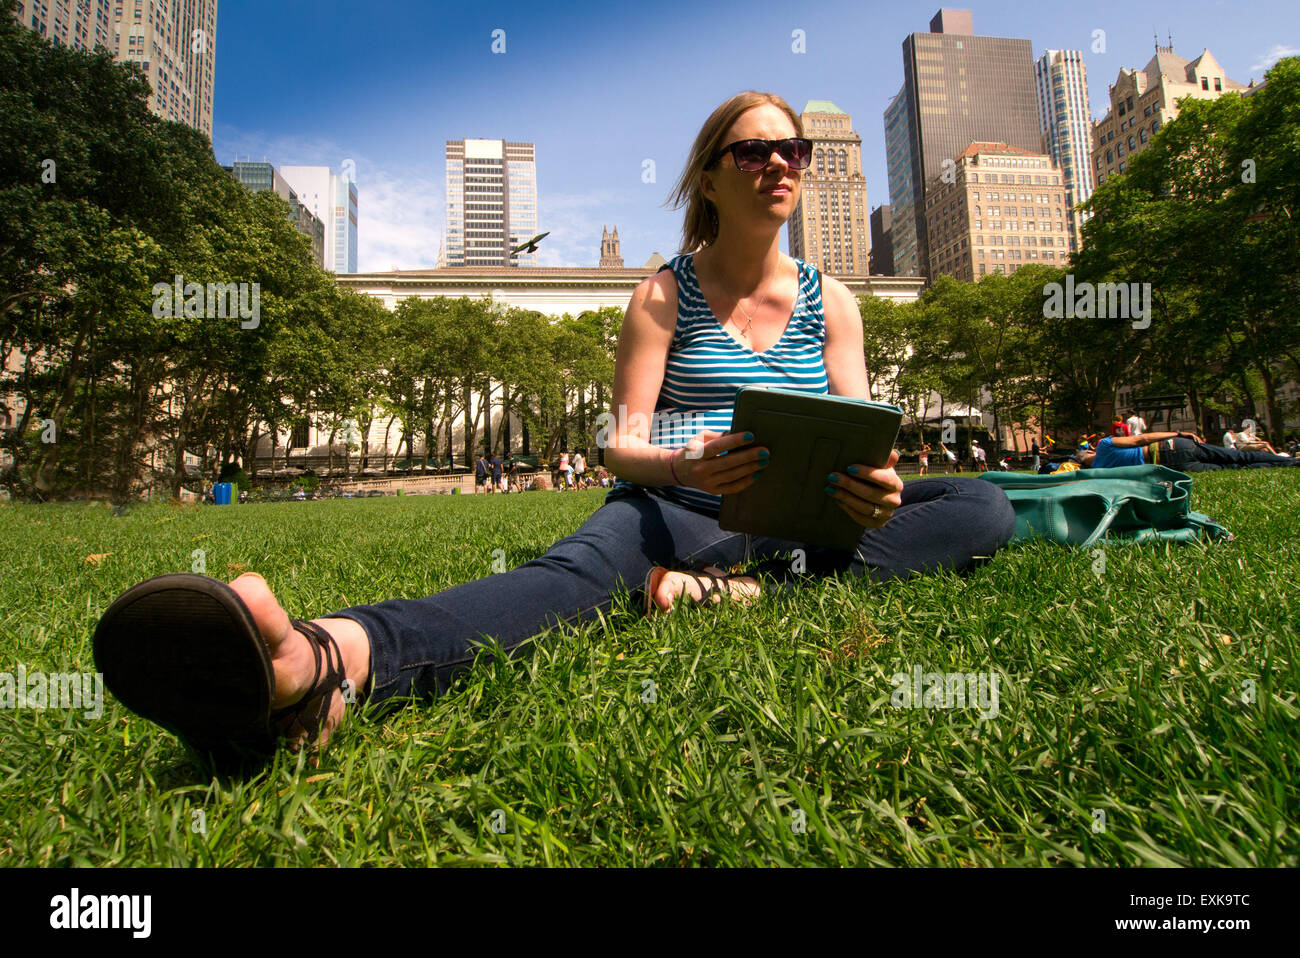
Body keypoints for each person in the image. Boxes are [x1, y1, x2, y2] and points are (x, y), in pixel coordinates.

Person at [91, 91, 1017, 758]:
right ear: (711, 174)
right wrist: (682, 461)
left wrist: (876, 485)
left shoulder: (836, 302)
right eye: (754, 151)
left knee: (983, 506)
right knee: (569, 578)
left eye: (795, 151)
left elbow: (864, 434)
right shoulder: (663, 294)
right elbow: (617, 442)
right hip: (682, 504)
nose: (780, 163)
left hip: (807, 519)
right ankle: (327, 660)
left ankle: (739, 593)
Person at [1078, 430, 1300, 472]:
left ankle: (1288, 463)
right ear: (1089, 452)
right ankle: (1290, 460)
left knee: (1232, 467)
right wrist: (1177, 434)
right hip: (1171, 446)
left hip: (1171, 466)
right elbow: (1142, 438)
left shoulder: (1099, 470)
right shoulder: (1106, 445)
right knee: (1240, 456)